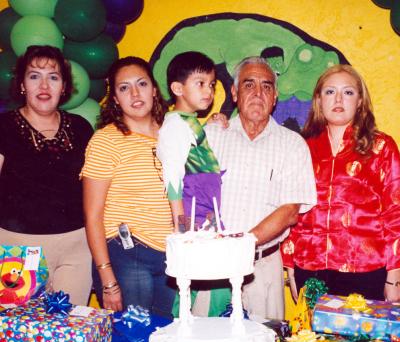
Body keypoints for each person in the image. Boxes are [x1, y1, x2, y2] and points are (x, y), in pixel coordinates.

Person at [206, 56, 317, 320]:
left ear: (275, 96)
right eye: (248, 85)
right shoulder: (211, 136)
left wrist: (243, 244)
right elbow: (192, 199)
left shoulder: (292, 145)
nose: (258, 93)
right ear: (234, 92)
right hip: (212, 267)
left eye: (266, 86)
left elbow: (290, 210)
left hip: (264, 266)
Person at [281, 64, 400, 303]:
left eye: (347, 92)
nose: (338, 99)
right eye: (329, 92)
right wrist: (289, 263)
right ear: (318, 100)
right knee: (312, 340)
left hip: (365, 271)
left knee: (361, 340)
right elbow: (289, 207)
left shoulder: (381, 147)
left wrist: (394, 277)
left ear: (359, 101)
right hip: (311, 267)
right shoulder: (301, 147)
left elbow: (395, 214)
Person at [81, 56, 175, 316]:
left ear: (154, 90)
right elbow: (92, 215)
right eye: (124, 88)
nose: (135, 93)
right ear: (115, 98)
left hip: (171, 256)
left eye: (142, 84)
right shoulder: (106, 141)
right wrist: (107, 280)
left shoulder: (173, 134)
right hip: (128, 255)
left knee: (164, 340)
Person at [0, 45, 93, 305]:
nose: (44, 85)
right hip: (17, 249)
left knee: (68, 332)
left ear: (63, 87)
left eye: (53, 77)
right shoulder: (3, 126)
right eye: (34, 76)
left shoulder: (81, 127)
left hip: (77, 248)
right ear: (21, 84)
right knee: (20, 334)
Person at [157, 51, 231, 317]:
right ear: (177, 88)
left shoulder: (188, 123)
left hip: (206, 216)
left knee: (216, 285)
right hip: (193, 219)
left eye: (211, 84)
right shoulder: (174, 126)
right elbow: (173, 181)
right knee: (197, 290)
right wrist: (183, 230)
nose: (209, 91)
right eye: (200, 83)